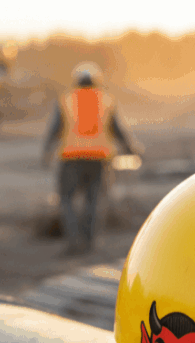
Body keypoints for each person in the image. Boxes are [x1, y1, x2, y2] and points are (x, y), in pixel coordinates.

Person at [41, 62, 140, 256]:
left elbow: (55, 129)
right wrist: (131, 149)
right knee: (94, 200)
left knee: (67, 200)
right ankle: (89, 243)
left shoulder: (66, 99)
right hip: (99, 159)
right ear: (96, 81)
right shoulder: (106, 100)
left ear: (76, 80)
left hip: (71, 158)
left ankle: (73, 241)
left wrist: (46, 152)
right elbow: (118, 129)